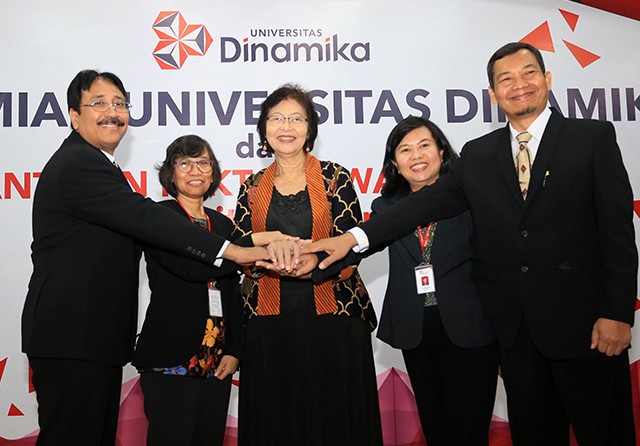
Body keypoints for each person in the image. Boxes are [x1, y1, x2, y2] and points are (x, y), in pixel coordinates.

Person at [305, 42, 637, 445]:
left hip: (587, 328)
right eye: (505, 79)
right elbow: (424, 204)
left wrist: (617, 312)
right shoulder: (480, 155)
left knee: (604, 432)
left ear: (547, 79)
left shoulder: (591, 138)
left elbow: (618, 233)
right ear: (493, 94)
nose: (519, 85)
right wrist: (352, 238)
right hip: (517, 336)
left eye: (528, 73)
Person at [22, 70, 267, 446]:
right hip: (72, 335)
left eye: (119, 104)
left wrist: (254, 241)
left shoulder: (101, 166)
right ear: (74, 115)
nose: (112, 112)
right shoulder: (78, 163)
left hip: (91, 339)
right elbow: (147, 219)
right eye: (99, 103)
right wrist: (234, 251)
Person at [232, 83, 383, 445]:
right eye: (277, 118)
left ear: (310, 129)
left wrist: (314, 261)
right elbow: (238, 248)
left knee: (335, 422)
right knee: (275, 421)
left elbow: (352, 244)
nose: (286, 126)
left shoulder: (336, 177)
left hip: (334, 317)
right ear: (264, 130)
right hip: (269, 323)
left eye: (296, 119)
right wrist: (269, 248)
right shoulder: (251, 186)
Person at [371, 116, 498, 445]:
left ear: (442, 152)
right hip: (416, 330)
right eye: (405, 150)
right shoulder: (385, 208)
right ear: (395, 164)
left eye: (424, 145)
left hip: (470, 327)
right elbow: (359, 245)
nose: (416, 156)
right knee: (435, 427)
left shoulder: (470, 199)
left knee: (468, 430)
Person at [132, 135, 245, 446]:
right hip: (171, 357)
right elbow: (189, 268)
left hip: (217, 360)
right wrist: (245, 253)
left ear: (213, 172)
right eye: (184, 163)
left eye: (203, 163)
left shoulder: (222, 225)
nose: (195, 171)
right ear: (171, 173)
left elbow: (231, 291)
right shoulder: (159, 216)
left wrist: (235, 350)